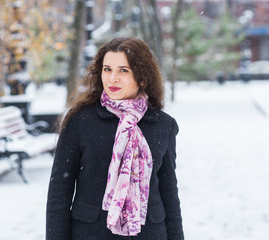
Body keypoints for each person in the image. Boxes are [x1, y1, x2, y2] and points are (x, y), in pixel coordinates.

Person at [46, 37, 184, 240]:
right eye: (107, 69)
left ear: (143, 77)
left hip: (150, 233)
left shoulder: (164, 125)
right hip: (91, 233)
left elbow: (169, 192)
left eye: (123, 70)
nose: (112, 78)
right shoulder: (81, 121)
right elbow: (59, 192)